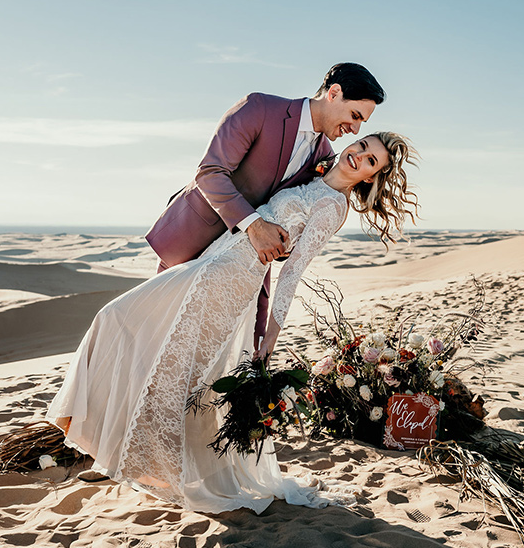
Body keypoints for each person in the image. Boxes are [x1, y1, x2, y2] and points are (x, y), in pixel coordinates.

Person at [47, 132, 418, 514]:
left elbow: (293, 271)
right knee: (132, 331)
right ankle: (126, 456)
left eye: (371, 160)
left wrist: (270, 334)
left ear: (371, 178)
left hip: (229, 279)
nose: (359, 156)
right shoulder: (313, 178)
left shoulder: (332, 206)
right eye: (361, 146)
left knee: (170, 363)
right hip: (213, 261)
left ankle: (151, 467)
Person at [145, 63, 386, 344]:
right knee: (156, 340)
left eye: (361, 123)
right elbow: (210, 172)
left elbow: (292, 220)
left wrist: (284, 240)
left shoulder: (326, 158)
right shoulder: (260, 108)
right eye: (355, 115)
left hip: (243, 275)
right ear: (334, 93)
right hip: (193, 243)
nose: (355, 128)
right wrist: (255, 226)